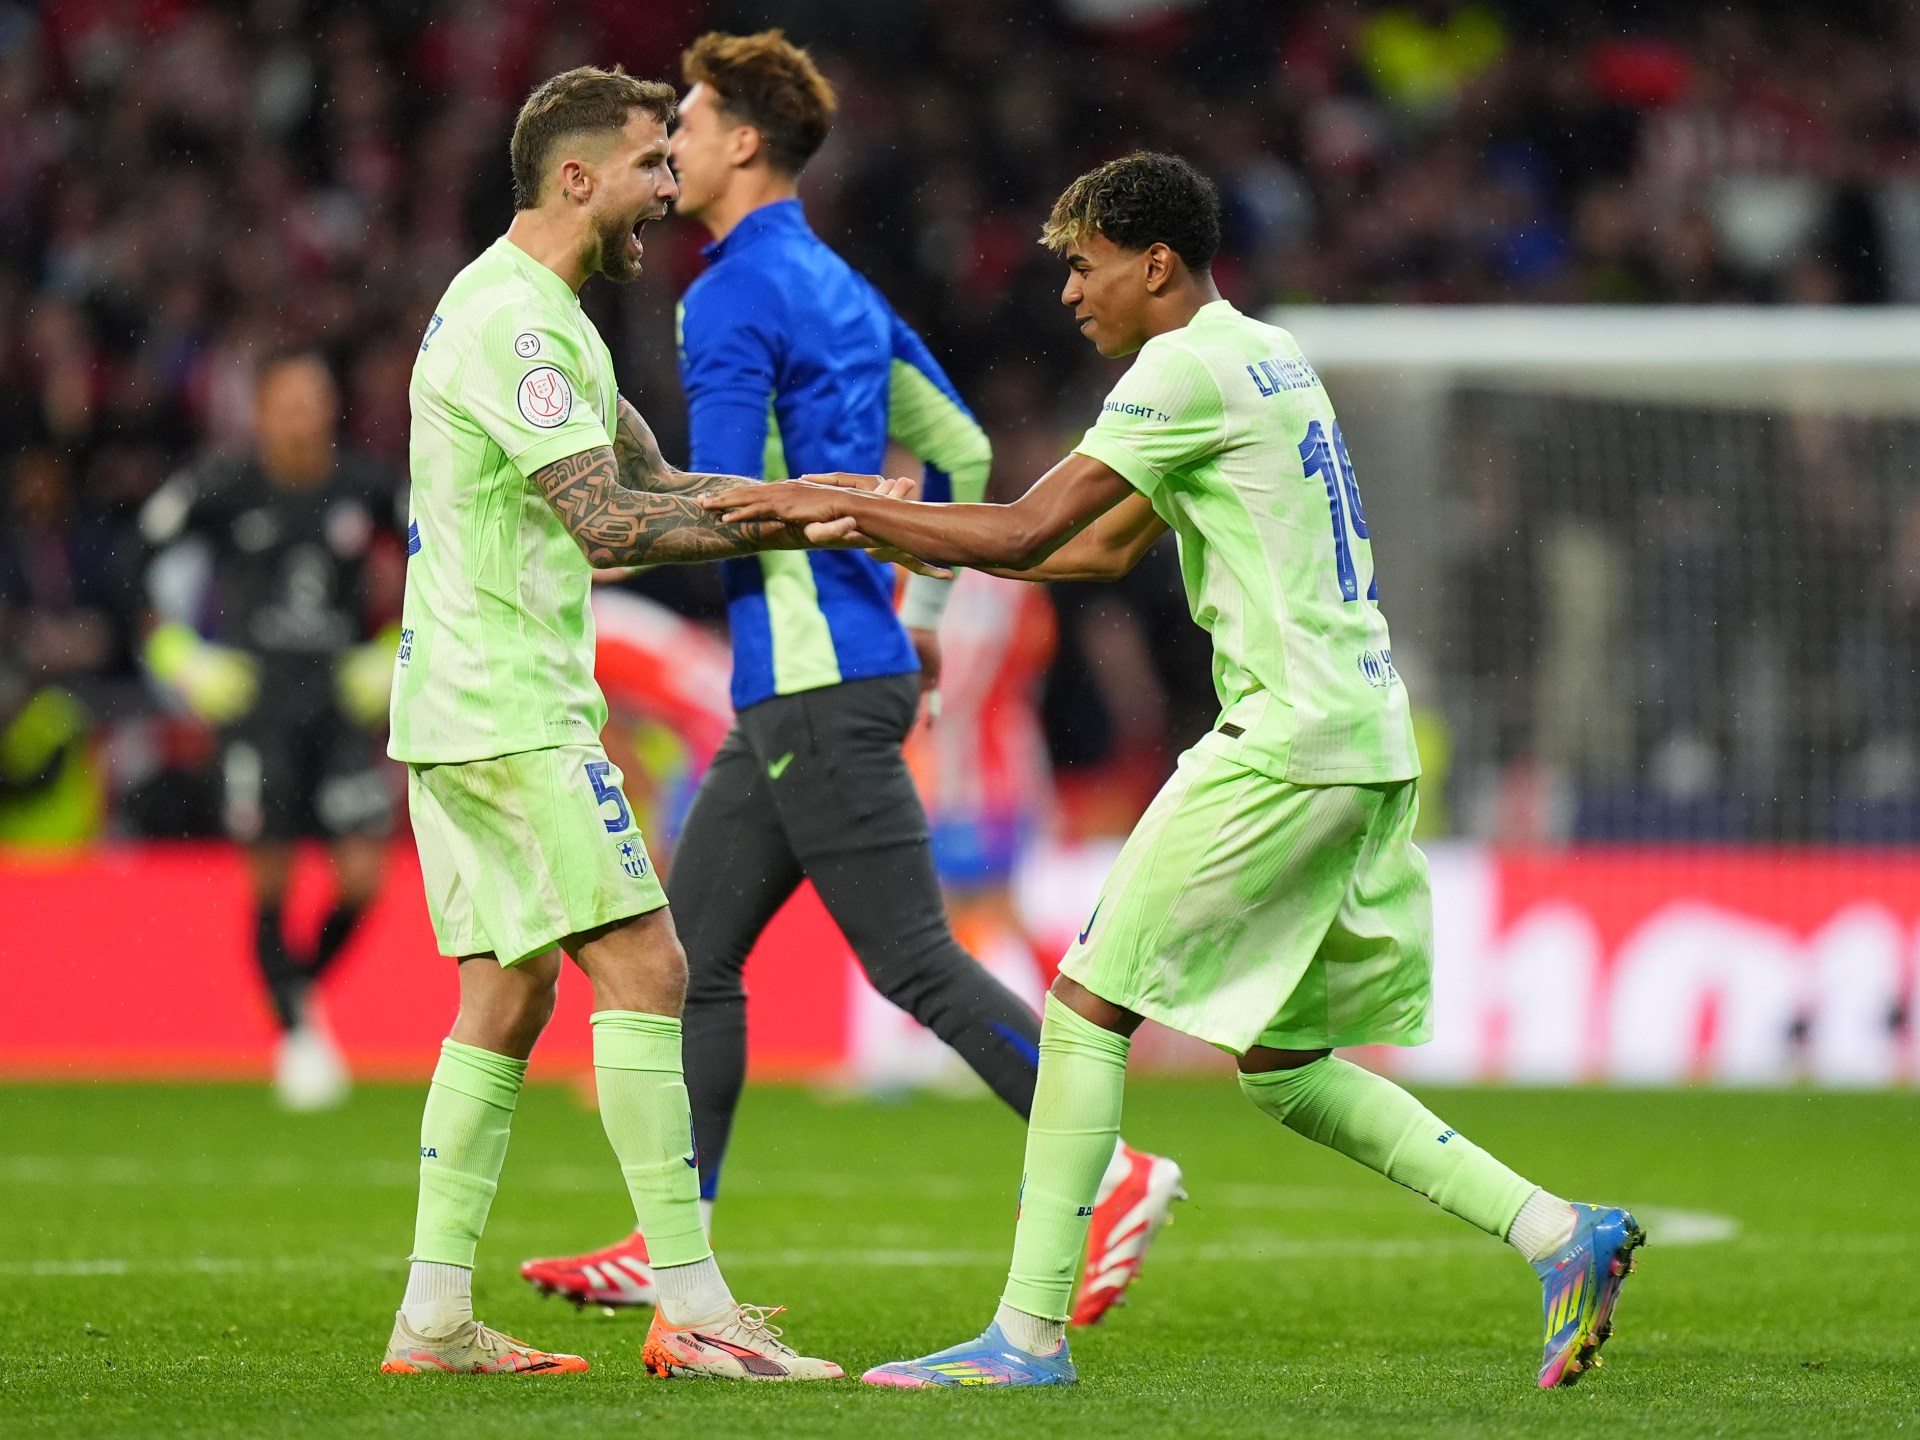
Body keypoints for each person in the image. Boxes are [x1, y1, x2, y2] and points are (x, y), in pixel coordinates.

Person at [706, 151, 1647, 1390]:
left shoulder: (1180, 368)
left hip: (1289, 738)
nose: (1068, 293)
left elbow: (1029, 527)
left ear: (1156, 264)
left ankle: (1025, 1338)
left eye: (1085, 266)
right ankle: (1559, 1233)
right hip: (1360, 733)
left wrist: (832, 508)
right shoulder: (1267, 352)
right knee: (1286, 1073)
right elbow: (1094, 555)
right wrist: (904, 529)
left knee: (1085, 1003)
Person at [518, 31, 1180, 1329]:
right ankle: (672, 1242)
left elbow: (722, 501)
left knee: (914, 961)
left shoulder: (727, 294)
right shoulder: (837, 285)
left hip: (810, 680)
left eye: (688, 125)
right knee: (697, 954)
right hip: (825, 673)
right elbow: (960, 446)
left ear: (743, 143)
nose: (672, 147)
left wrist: (604, 529)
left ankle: (1111, 1169)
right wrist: (921, 610)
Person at [380, 64, 893, 1381]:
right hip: (510, 706)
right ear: (577, 177)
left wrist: (816, 498)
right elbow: (609, 525)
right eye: (652, 164)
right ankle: (694, 1305)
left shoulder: (523, 307)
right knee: (653, 970)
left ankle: (432, 1316)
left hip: (456, 701)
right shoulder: (520, 329)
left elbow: (656, 479)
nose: (670, 188)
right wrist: (805, 524)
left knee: (507, 993)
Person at [140, 353, 402, 1110]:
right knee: (272, 877)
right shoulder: (221, 487)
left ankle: (293, 997)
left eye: (314, 399)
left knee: (363, 878)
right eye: (286, 402)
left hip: (341, 700)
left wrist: (396, 650)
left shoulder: (369, 486)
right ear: (259, 413)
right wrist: (180, 655)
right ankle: (297, 1031)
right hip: (257, 704)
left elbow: (441, 558)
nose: (301, 415)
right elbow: (136, 557)